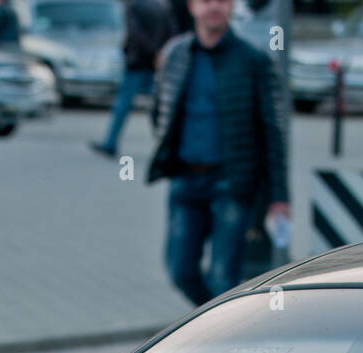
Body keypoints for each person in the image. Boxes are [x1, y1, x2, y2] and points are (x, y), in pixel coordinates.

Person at [147, 0, 289, 306]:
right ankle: (216, 323)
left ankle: (222, 339)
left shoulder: (253, 60)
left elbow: (272, 133)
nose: (214, 6)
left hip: (232, 183)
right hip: (185, 181)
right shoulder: (175, 54)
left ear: (232, 6)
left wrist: (279, 196)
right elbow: (160, 109)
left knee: (224, 277)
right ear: (192, 6)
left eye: (222, 0)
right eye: (206, 0)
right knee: (180, 270)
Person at [90, 0, 174, 157]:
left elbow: (135, 33)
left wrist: (151, 51)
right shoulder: (161, 6)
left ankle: (111, 143)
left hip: (138, 62)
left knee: (123, 105)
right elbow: (170, 31)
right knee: (160, 106)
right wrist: (160, 52)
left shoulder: (134, 6)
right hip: (155, 63)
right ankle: (165, 146)